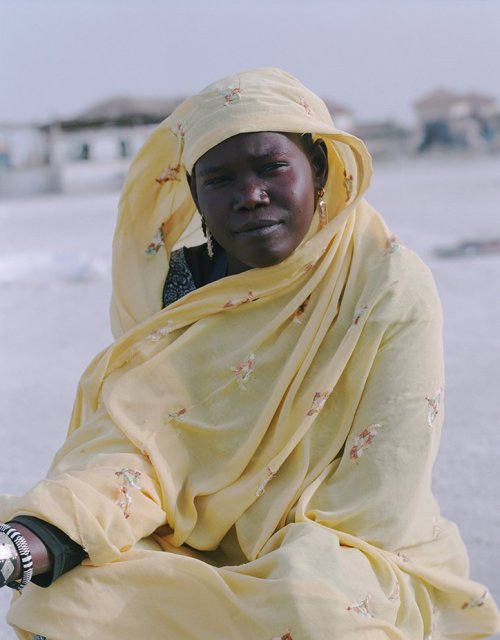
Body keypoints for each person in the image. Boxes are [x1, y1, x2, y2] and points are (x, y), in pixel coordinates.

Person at [0, 68, 498, 640]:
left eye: (271, 168)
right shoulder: (177, 291)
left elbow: (381, 484)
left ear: (317, 168)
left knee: (313, 613)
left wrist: (279, 561)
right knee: (67, 600)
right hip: (188, 532)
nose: (250, 195)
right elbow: (140, 445)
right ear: (194, 195)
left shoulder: (384, 281)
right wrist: (39, 537)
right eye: (219, 178)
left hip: (338, 542)